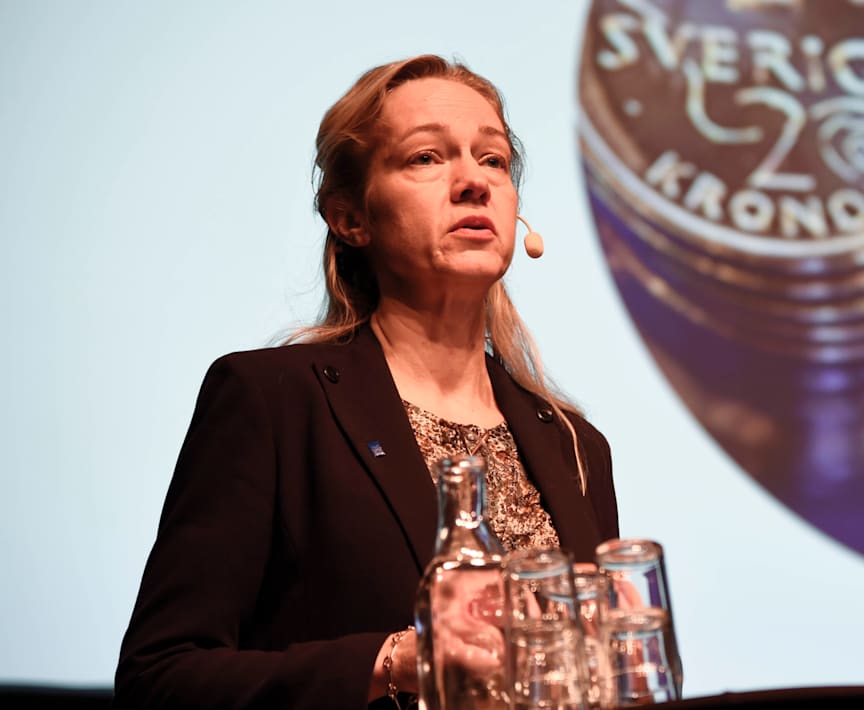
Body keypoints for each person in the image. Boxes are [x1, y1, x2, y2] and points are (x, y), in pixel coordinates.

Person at [114, 55, 619, 709]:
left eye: (493, 160)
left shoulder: (575, 445)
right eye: (426, 158)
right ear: (350, 218)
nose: (474, 182)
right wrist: (389, 662)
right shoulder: (274, 402)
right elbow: (159, 678)